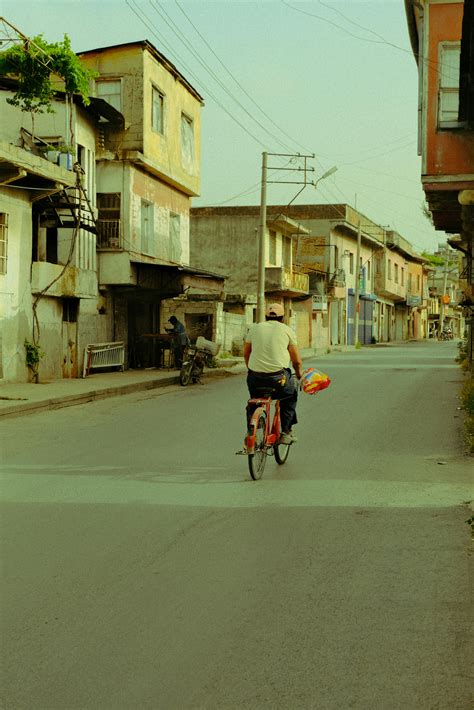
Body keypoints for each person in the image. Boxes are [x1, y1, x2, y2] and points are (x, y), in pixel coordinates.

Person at [243, 303, 303, 445]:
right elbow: (297, 361)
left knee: (255, 401)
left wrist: (251, 369)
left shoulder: (255, 328)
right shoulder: (287, 330)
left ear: (266, 316)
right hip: (278, 379)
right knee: (290, 394)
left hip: (255, 378)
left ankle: (251, 432)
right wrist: (299, 375)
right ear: (282, 318)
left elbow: (246, 352)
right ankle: (286, 432)